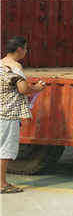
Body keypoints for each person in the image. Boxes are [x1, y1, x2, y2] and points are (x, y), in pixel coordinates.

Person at [1, 36, 45, 194]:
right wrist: (37, 88)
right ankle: (2, 184)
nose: (26, 51)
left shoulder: (1, 63)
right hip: (8, 113)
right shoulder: (15, 67)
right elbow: (23, 89)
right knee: (5, 150)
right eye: (26, 48)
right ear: (19, 49)